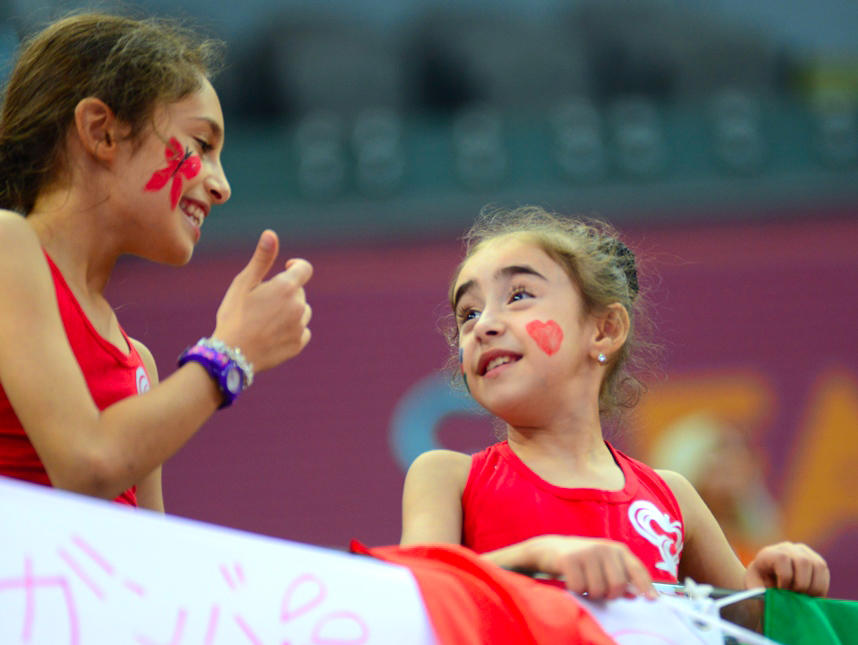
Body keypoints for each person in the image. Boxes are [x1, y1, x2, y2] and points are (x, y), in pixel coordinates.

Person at [400, 205, 829, 601]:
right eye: (468, 313)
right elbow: (415, 594)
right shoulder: (447, 478)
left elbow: (746, 620)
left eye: (518, 296)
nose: (484, 326)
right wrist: (534, 556)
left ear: (604, 330)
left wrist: (782, 583)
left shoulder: (673, 499)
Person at [0, 13, 312, 511]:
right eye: (202, 145)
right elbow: (87, 464)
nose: (222, 185)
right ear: (102, 132)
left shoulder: (137, 362)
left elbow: (150, 558)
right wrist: (230, 352)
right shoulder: (6, 244)